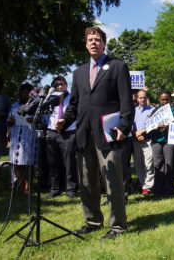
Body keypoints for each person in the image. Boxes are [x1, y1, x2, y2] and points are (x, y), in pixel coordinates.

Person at [56, 26, 134, 241]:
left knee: (113, 181)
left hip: (109, 133)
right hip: (83, 134)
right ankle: (92, 221)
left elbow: (127, 102)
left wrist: (124, 127)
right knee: (87, 181)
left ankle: (118, 226)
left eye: (97, 39)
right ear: (85, 43)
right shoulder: (79, 72)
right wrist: (65, 120)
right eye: (90, 39)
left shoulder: (117, 67)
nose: (93, 42)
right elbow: (74, 104)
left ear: (104, 43)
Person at [45, 76, 78, 200]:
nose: (59, 86)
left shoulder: (72, 99)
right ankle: (55, 189)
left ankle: (71, 189)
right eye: (57, 84)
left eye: (62, 84)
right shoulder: (50, 99)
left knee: (69, 163)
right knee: (53, 163)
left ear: (66, 85)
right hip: (52, 133)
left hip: (68, 133)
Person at [149, 90, 174, 196]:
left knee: (169, 164)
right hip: (157, 141)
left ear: (170, 99)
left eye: (167, 99)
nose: (165, 102)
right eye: (163, 100)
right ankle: (158, 189)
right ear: (159, 100)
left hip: (170, 141)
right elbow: (149, 127)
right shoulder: (155, 112)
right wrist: (155, 128)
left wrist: (170, 126)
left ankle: (169, 189)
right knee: (158, 165)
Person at [8, 83, 35, 195]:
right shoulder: (15, 106)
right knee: (17, 162)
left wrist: (33, 121)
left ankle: (28, 186)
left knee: (28, 163)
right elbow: (8, 118)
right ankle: (20, 183)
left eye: (28, 93)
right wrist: (10, 121)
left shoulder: (35, 107)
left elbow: (42, 120)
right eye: (23, 93)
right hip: (16, 136)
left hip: (29, 136)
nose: (25, 95)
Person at [131, 89, 154, 195]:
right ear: (137, 98)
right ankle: (141, 183)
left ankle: (148, 186)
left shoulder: (152, 110)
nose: (143, 99)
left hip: (147, 140)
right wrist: (136, 134)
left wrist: (142, 132)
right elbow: (130, 124)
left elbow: (154, 125)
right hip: (136, 140)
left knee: (148, 163)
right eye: (140, 97)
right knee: (138, 163)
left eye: (144, 97)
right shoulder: (133, 110)